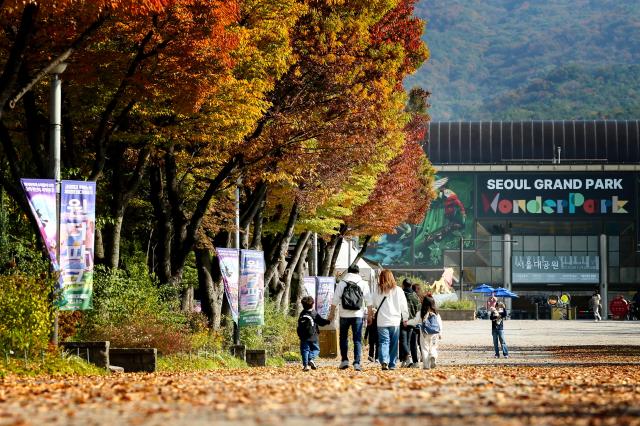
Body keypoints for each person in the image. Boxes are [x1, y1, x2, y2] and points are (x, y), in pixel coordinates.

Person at [328, 264, 372, 371]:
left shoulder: (342, 283)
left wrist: (331, 314)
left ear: (348, 272)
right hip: (358, 315)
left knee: (343, 338)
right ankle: (357, 363)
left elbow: (335, 300)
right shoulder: (363, 283)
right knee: (357, 339)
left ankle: (344, 361)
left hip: (344, 314)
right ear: (358, 272)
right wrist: (370, 315)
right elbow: (368, 301)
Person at [371, 270, 409, 370]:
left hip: (382, 321)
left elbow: (372, 303)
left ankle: (384, 361)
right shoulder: (398, 290)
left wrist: (371, 313)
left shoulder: (378, 290)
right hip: (395, 321)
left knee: (384, 342)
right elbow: (404, 306)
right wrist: (405, 318)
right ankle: (392, 364)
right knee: (394, 343)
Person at [407, 295, 443, 369]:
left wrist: (407, 322)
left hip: (424, 333)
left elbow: (414, 321)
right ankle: (433, 356)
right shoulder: (436, 313)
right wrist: (440, 333)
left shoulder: (421, 313)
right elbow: (439, 324)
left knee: (424, 348)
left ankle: (426, 365)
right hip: (434, 333)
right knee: (433, 347)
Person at [297, 296, 330, 371]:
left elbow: (299, 325)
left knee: (305, 350)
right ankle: (311, 359)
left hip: (303, 336)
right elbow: (321, 322)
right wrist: (328, 321)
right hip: (313, 336)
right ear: (312, 304)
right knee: (316, 349)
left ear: (303, 304)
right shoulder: (313, 313)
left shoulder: (302, 314)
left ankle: (305, 366)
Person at [400, 278, 420, 368]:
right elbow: (419, 309)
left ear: (403, 285)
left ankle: (408, 359)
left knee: (404, 341)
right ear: (411, 285)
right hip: (414, 322)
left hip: (403, 321)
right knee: (413, 343)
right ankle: (415, 362)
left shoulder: (401, 294)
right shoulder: (415, 295)